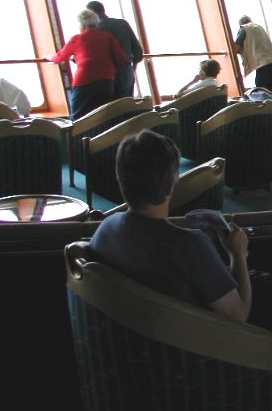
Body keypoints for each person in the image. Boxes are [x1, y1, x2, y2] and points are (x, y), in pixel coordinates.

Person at [90, 130, 252, 322]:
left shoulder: (105, 228)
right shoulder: (189, 245)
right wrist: (237, 253)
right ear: (174, 181)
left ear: (120, 177)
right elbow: (239, 316)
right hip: (195, 337)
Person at [44, 9, 126, 120]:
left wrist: (50, 58)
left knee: (78, 115)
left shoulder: (78, 39)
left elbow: (60, 57)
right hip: (106, 80)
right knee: (103, 114)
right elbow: (121, 58)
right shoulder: (107, 37)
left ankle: (80, 132)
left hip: (84, 81)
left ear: (82, 25)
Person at [86, 1, 143, 99]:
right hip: (126, 72)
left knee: (112, 105)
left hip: (107, 76)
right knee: (127, 104)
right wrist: (132, 69)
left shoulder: (94, 31)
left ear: (92, 12)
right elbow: (138, 51)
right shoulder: (122, 24)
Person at [235, 16, 272, 93]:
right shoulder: (260, 28)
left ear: (241, 24)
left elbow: (235, 47)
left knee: (263, 94)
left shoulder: (244, 28)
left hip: (264, 67)